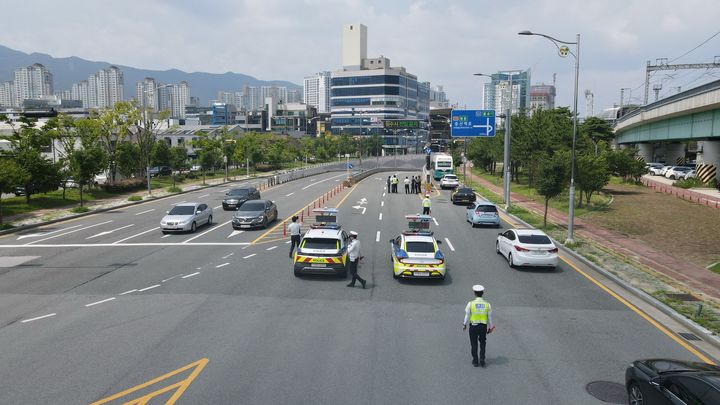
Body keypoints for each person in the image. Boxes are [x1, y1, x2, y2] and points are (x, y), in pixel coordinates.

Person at [462, 284, 495, 367]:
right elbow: (490, 317)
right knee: (483, 342)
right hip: (483, 327)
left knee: (474, 343)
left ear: (475, 293)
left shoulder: (471, 304)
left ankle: (475, 361)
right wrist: (491, 327)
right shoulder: (487, 304)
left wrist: (464, 324)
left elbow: (467, 315)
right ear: (482, 293)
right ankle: (482, 359)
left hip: (473, 326)